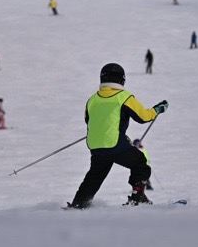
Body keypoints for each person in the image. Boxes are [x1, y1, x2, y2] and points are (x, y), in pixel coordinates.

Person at [67, 63, 168, 209]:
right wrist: (157, 109)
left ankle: (79, 203)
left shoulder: (92, 100)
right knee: (140, 162)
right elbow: (143, 117)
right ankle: (137, 197)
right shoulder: (124, 97)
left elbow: (88, 121)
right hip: (114, 144)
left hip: (95, 146)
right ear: (122, 80)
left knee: (94, 176)